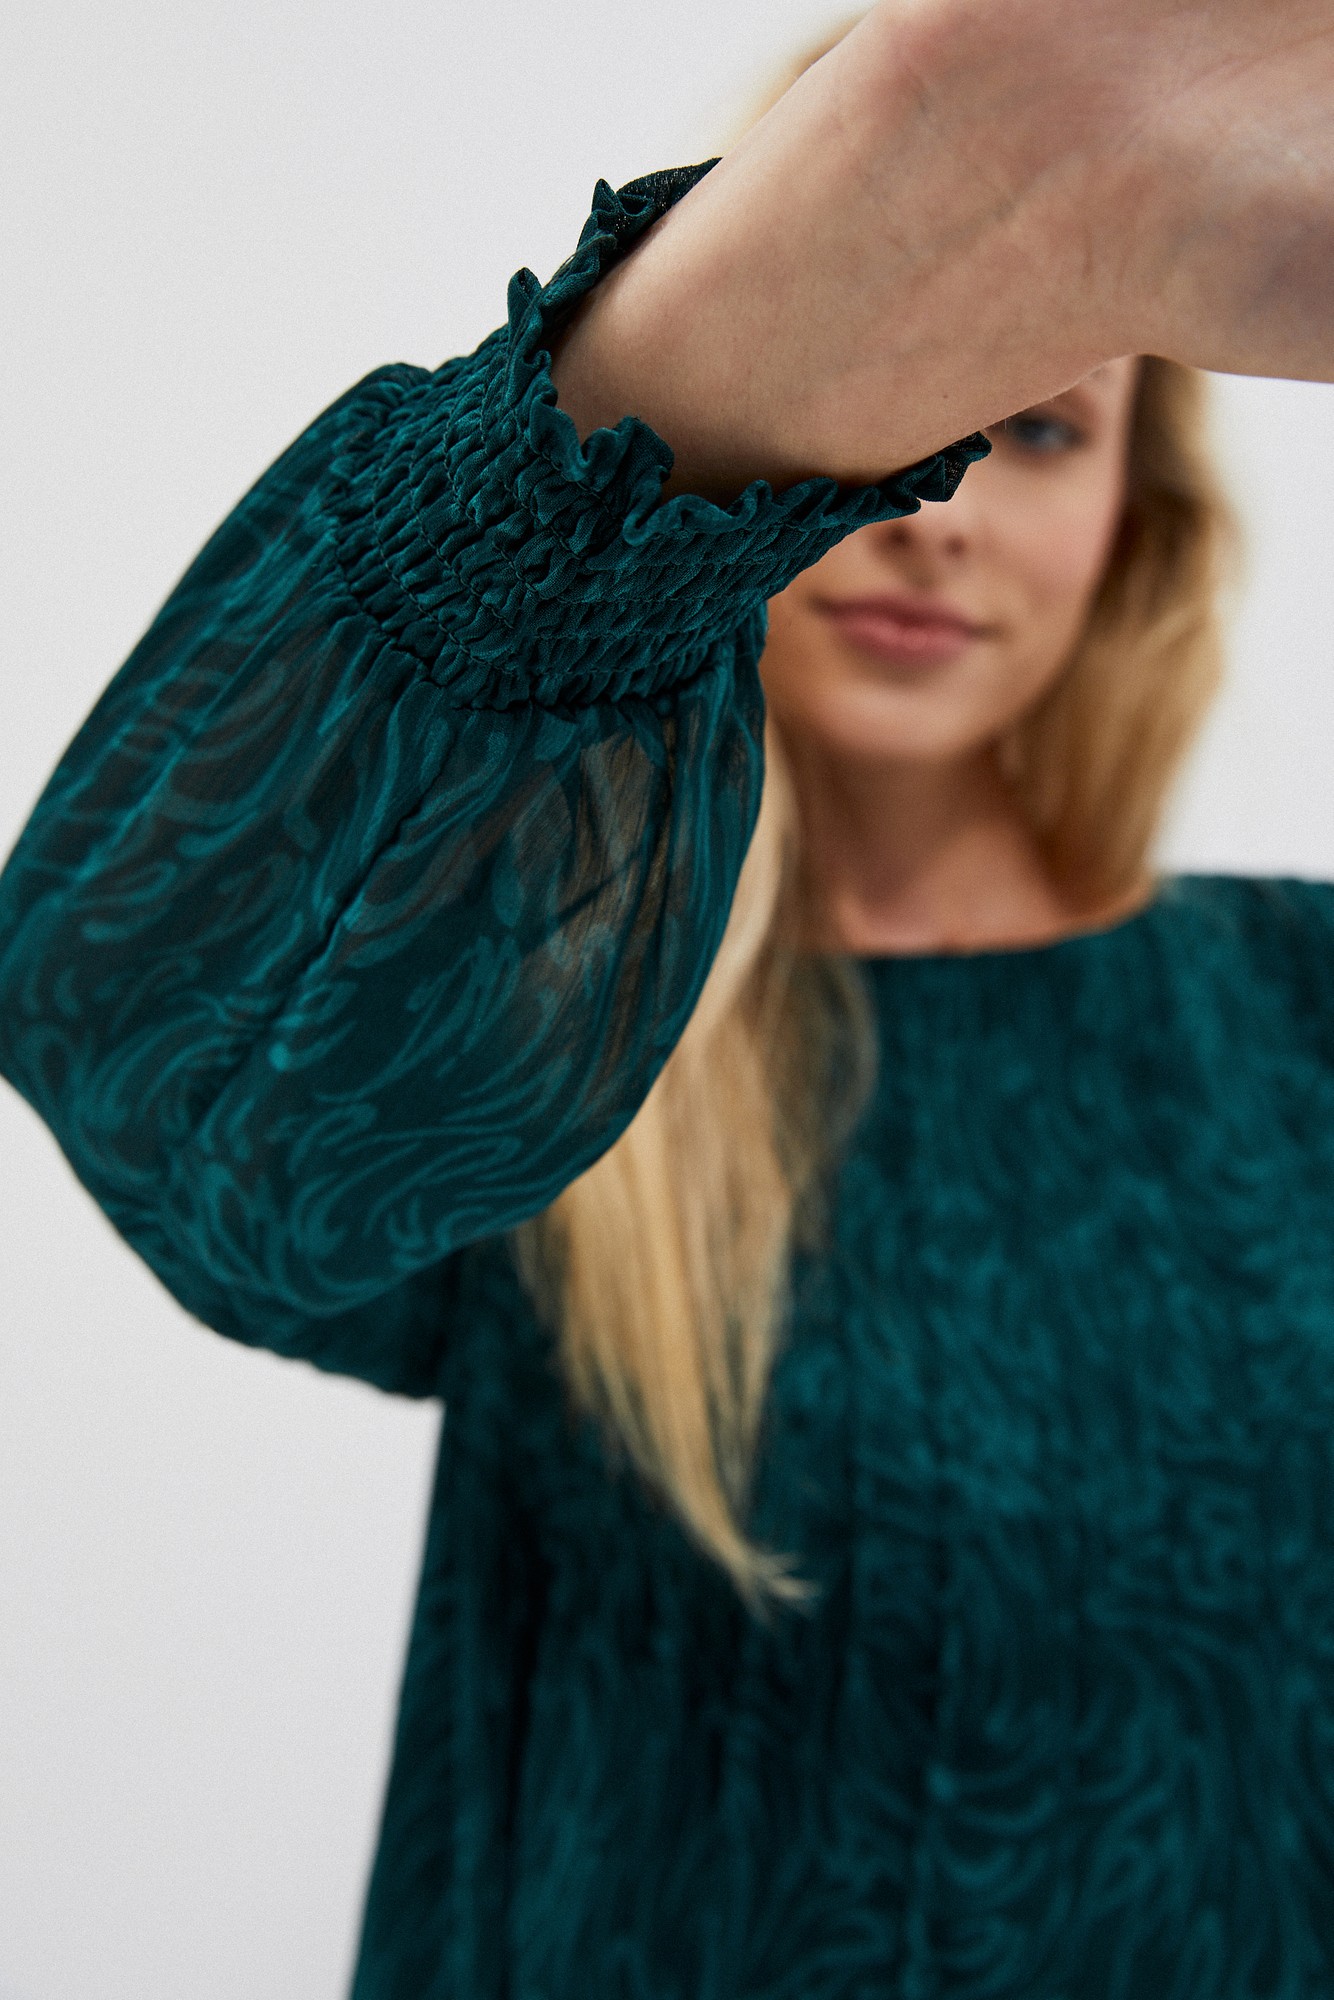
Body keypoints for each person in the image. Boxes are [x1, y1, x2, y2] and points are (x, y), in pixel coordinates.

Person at [2, 0, 1333, 1991]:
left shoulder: (1305, 1002)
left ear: (1137, 536)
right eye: (915, 410)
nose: (941, 510)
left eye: (1040, 427)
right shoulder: (556, 1026)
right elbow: (160, 1072)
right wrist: (748, 340)